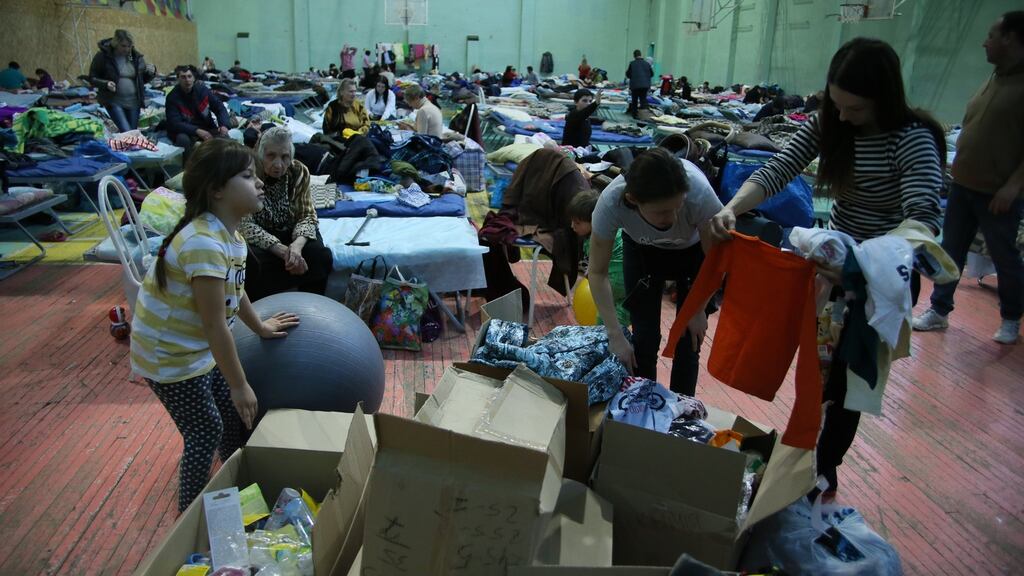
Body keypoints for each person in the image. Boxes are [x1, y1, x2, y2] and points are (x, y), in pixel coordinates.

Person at [707, 38, 945, 499]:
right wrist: (732, 207)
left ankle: (825, 465)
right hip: (832, 264)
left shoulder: (912, 139)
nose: (841, 116)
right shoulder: (830, 122)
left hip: (881, 275)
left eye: (853, 108)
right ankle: (801, 454)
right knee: (816, 372)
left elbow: (923, 220)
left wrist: (861, 266)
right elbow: (779, 168)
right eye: (834, 104)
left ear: (884, 98)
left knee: (848, 380)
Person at [130, 138, 300, 512]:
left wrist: (260, 328)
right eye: (247, 175)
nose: (258, 183)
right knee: (205, 430)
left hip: (197, 349)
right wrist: (240, 385)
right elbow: (214, 325)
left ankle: (236, 479)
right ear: (217, 190)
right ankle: (191, 512)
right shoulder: (203, 243)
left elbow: (234, 291)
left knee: (230, 416)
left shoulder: (231, 236)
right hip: (170, 359)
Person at [914, 11, 1024, 344]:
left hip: (997, 191)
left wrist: (1013, 185)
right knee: (950, 251)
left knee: (1004, 256)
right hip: (963, 183)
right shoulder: (994, 78)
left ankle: (1010, 318)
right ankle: (939, 310)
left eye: (991, 35)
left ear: (1011, 38)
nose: (984, 42)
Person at [590, 147, 723, 397]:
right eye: (661, 212)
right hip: (641, 250)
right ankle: (644, 407)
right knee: (644, 338)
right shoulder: (611, 203)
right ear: (632, 200)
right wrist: (614, 334)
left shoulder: (700, 195)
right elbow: (597, 273)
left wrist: (699, 309)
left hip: (694, 252)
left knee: (689, 340)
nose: (671, 218)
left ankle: (682, 412)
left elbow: (716, 263)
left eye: (677, 207)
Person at [240, 127, 334, 301]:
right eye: (271, 156)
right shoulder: (249, 173)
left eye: (284, 157)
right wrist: (283, 251)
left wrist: (297, 246)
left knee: (319, 255)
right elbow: (245, 225)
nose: (278, 164)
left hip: (290, 231)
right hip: (260, 238)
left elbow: (306, 214)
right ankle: (263, 312)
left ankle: (311, 306)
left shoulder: (298, 171)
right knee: (251, 264)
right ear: (261, 155)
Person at [570, 190, 629, 328]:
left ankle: (605, 335)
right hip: (629, 277)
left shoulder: (595, 239)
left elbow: (595, 269)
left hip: (614, 280)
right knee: (621, 310)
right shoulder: (615, 228)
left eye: (577, 222)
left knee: (606, 313)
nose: (572, 226)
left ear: (593, 219)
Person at [87, 30, 156, 132]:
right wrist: (106, 84)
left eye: (129, 46)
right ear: (116, 44)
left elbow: (142, 80)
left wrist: (151, 72)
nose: (127, 49)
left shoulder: (135, 57)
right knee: (127, 131)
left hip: (134, 101)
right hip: (114, 100)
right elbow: (92, 78)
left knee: (132, 132)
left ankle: (125, 146)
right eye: (123, 46)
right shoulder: (103, 56)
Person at [166, 65, 232, 163]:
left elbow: (219, 108)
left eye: (189, 76)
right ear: (178, 79)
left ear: (194, 78)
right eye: (183, 77)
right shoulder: (172, 97)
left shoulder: (203, 91)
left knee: (225, 139)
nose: (187, 80)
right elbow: (175, 123)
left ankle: (226, 169)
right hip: (186, 131)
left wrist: (224, 125)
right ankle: (187, 170)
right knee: (182, 140)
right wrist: (197, 131)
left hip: (207, 127)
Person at [625, 49, 653, 115]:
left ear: (634, 56)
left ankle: (634, 115)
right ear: (640, 55)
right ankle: (644, 116)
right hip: (645, 85)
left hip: (635, 85)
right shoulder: (647, 64)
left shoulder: (632, 63)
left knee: (634, 100)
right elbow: (652, 74)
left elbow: (628, 74)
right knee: (643, 100)